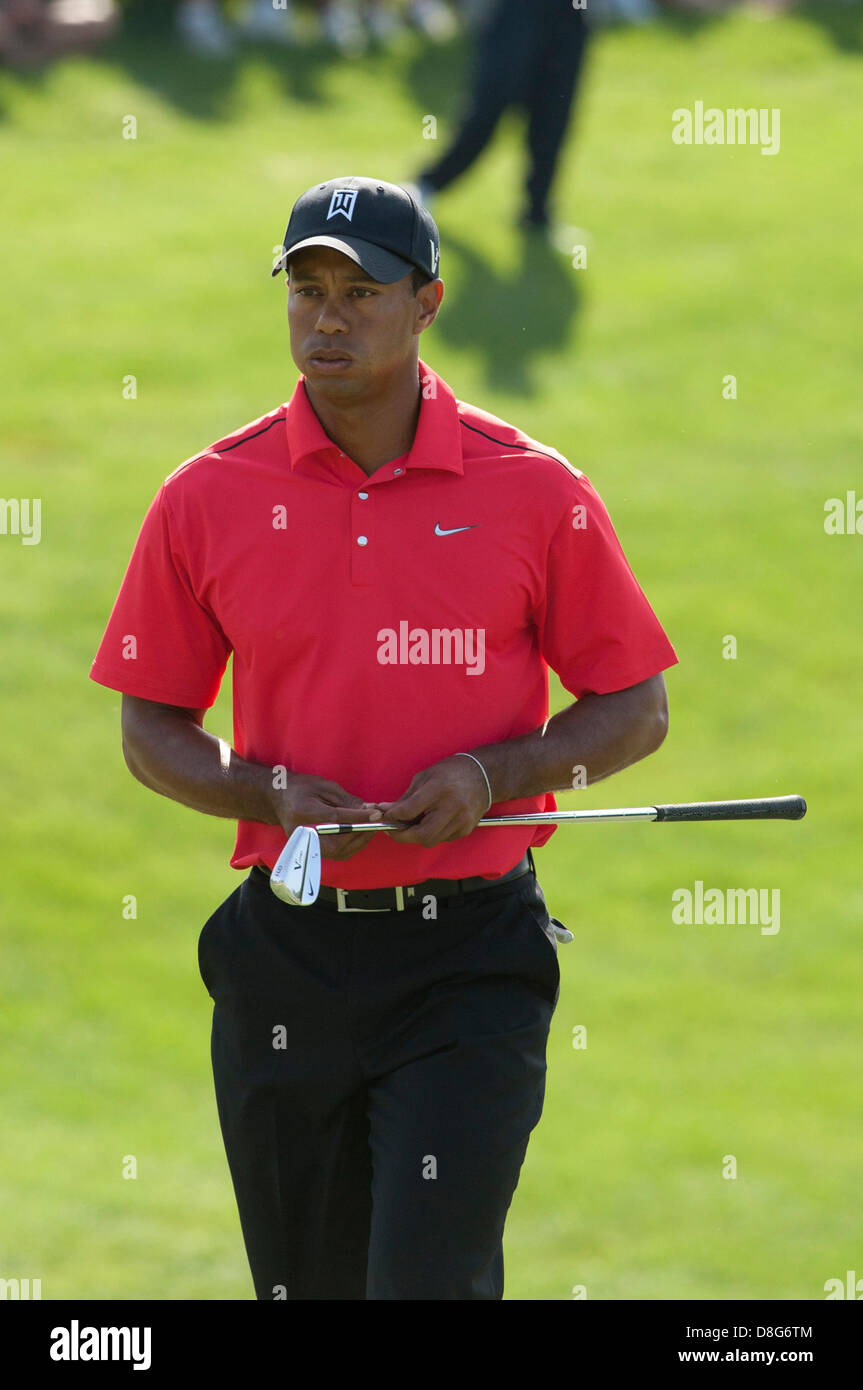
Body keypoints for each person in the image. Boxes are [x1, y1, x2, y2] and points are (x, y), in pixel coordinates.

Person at [90, 175, 677, 1300]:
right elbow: (151, 728)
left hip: (468, 963)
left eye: (361, 292)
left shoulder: (532, 489)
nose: (328, 317)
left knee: (426, 1284)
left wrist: (492, 772)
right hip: (288, 959)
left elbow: (632, 708)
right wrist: (268, 795)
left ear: (428, 304)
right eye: (307, 290)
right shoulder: (207, 495)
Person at [411, 0, 589, 231]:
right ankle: (429, 183)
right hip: (515, 11)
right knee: (488, 109)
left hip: (570, 15)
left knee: (554, 116)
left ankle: (537, 212)